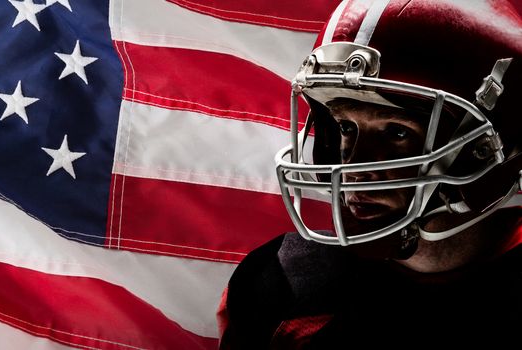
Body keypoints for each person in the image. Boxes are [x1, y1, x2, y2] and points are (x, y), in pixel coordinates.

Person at [218, 0, 522, 348]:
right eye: (345, 127)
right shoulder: (284, 282)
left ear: (483, 150)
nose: (354, 168)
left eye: (397, 132)